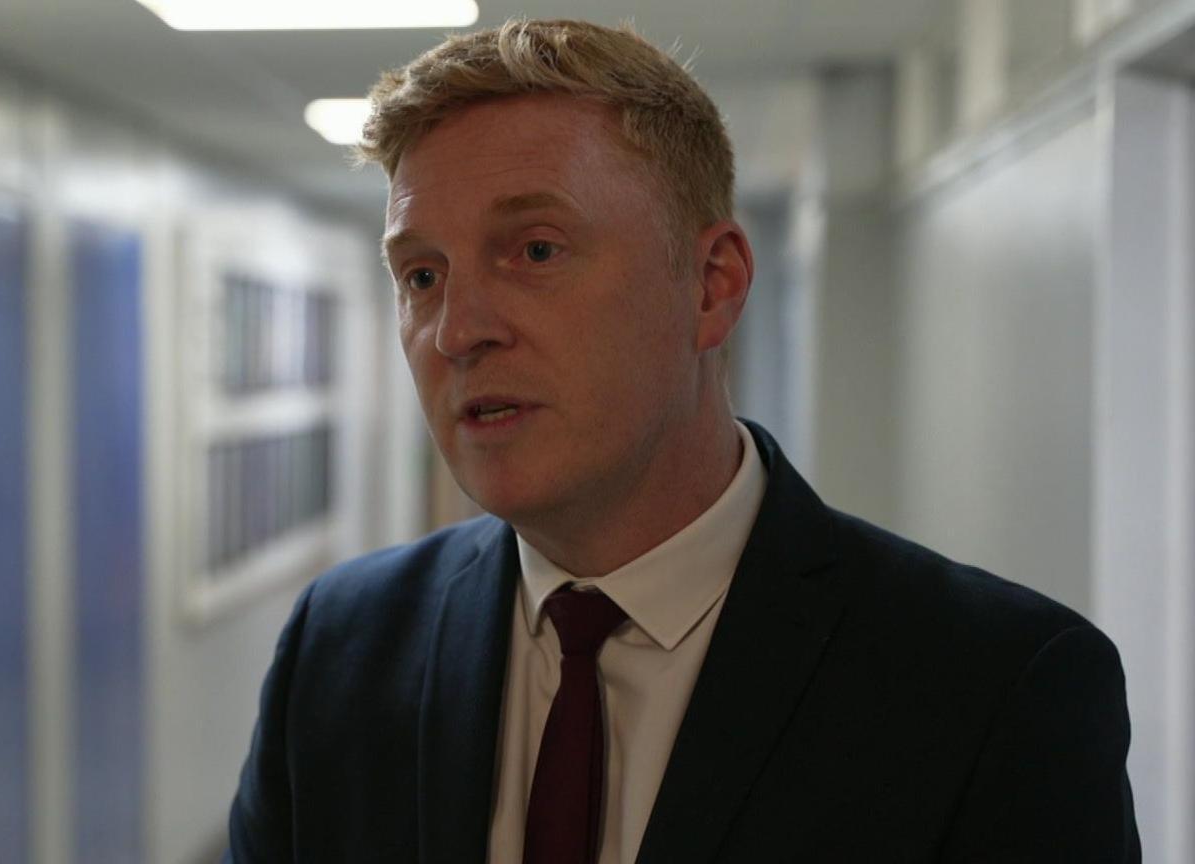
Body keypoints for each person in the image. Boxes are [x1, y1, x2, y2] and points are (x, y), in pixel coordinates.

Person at [225, 18, 1139, 864]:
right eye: (422, 275)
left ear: (711, 287)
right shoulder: (339, 647)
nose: (458, 329)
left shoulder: (994, 689)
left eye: (535, 251)